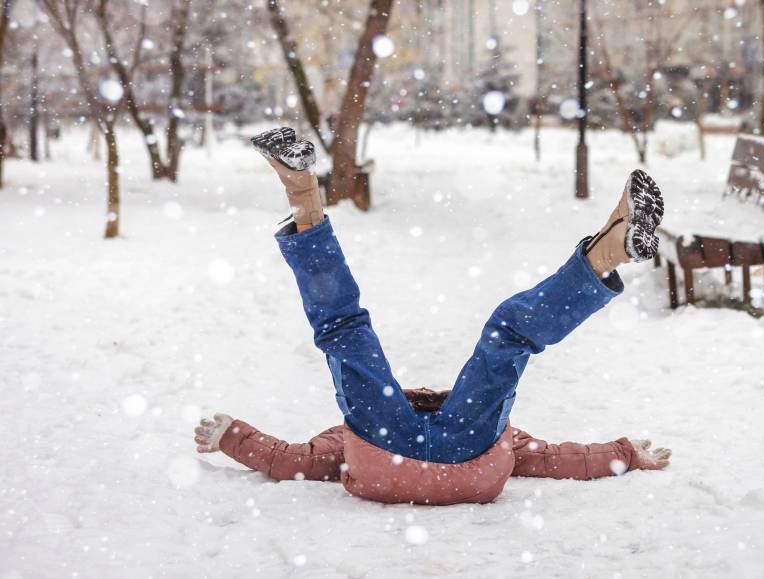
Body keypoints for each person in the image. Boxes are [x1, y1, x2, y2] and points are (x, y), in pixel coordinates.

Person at [193, 127, 671, 506]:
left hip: (387, 458)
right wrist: (624, 454)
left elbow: (288, 460)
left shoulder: (348, 436)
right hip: (471, 463)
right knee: (350, 328)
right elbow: (555, 460)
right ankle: (608, 251)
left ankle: (302, 191)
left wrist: (231, 437)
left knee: (368, 331)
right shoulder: (482, 426)